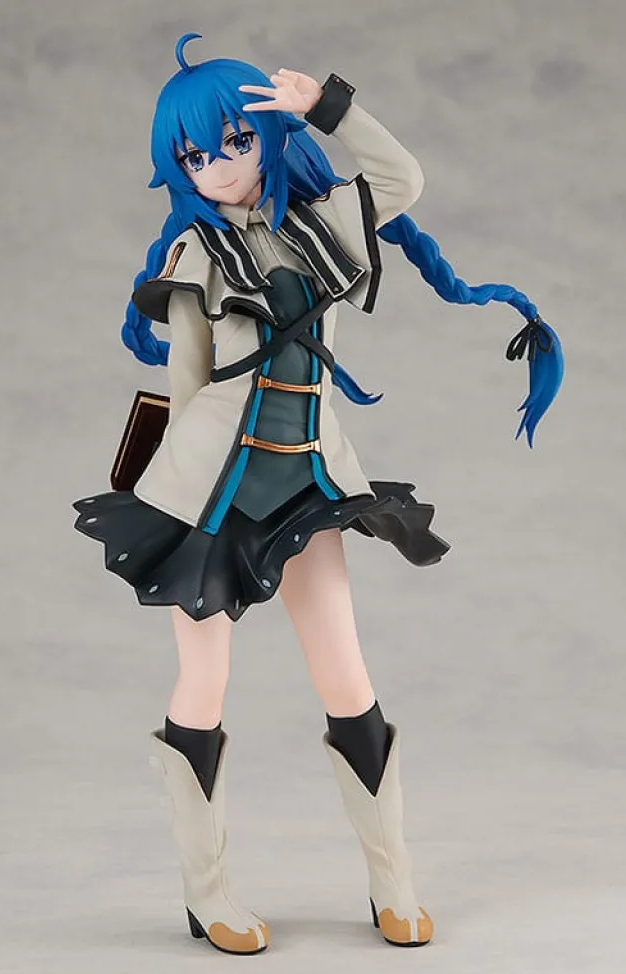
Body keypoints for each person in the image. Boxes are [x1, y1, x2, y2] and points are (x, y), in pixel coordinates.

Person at [73, 32, 564, 955]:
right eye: (196, 156)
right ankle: (208, 896)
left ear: (266, 137)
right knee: (204, 682)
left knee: (346, 675)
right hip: (211, 497)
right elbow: (187, 384)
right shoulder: (195, 252)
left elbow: (404, 179)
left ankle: (394, 883)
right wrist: (171, 497)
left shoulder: (323, 223)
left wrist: (328, 107)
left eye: (234, 142)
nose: (219, 166)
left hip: (307, 485)